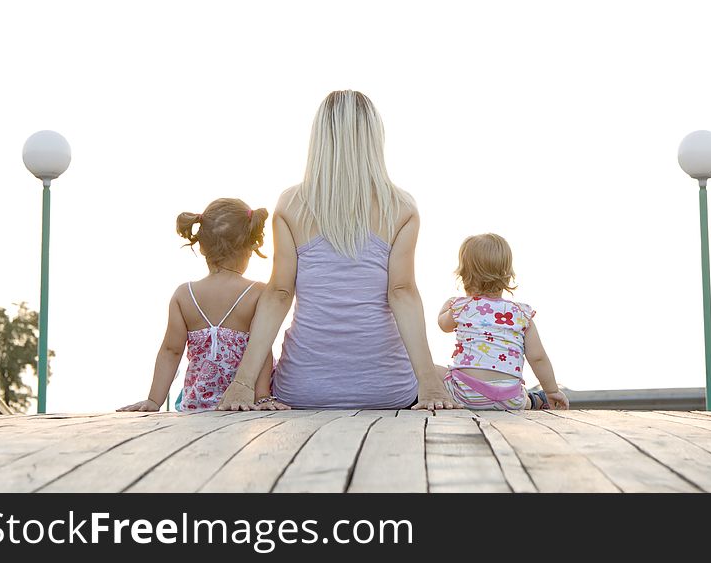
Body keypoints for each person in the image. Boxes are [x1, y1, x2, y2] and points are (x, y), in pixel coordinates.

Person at [216, 90, 458, 411]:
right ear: (374, 138)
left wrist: (242, 384)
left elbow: (278, 294)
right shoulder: (402, 208)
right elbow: (402, 293)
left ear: (320, 139)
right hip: (388, 390)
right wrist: (429, 385)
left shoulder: (291, 205)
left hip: (302, 388)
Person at [118, 199, 276, 412]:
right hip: (241, 406)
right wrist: (263, 397)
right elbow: (262, 348)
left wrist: (154, 401)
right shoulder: (258, 293)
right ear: (250, 246)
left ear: (201, 247)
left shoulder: (184, 295)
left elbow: (171, 351)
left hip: (195, 407)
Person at [437, 233, 569, 410]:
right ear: (507, 274)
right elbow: (537, 357)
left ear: (463, 274)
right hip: (511, 398)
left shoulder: (460, 307)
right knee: (521, 397)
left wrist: (448, 307)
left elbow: (443, 325)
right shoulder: (521, 313)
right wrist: (552, 390)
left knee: (429, 370)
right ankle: (535, 400)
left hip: (466, 394)